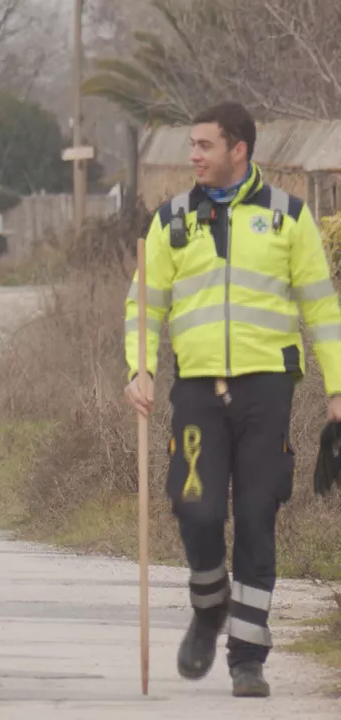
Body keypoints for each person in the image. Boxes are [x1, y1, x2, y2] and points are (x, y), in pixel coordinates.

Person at [123, 101, 341, 699]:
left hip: (266, 385)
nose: (192, 155)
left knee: (255, 515)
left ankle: (248, 654)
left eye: (203, 146)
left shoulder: (288, 218)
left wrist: (338, 389)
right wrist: (139, 366)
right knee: (194, 506)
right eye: (191, 145)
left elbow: (323, 309)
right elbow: (145, 305)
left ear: (238, 150)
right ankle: (208, 601)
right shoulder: (169, 221)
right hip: (195, 387)